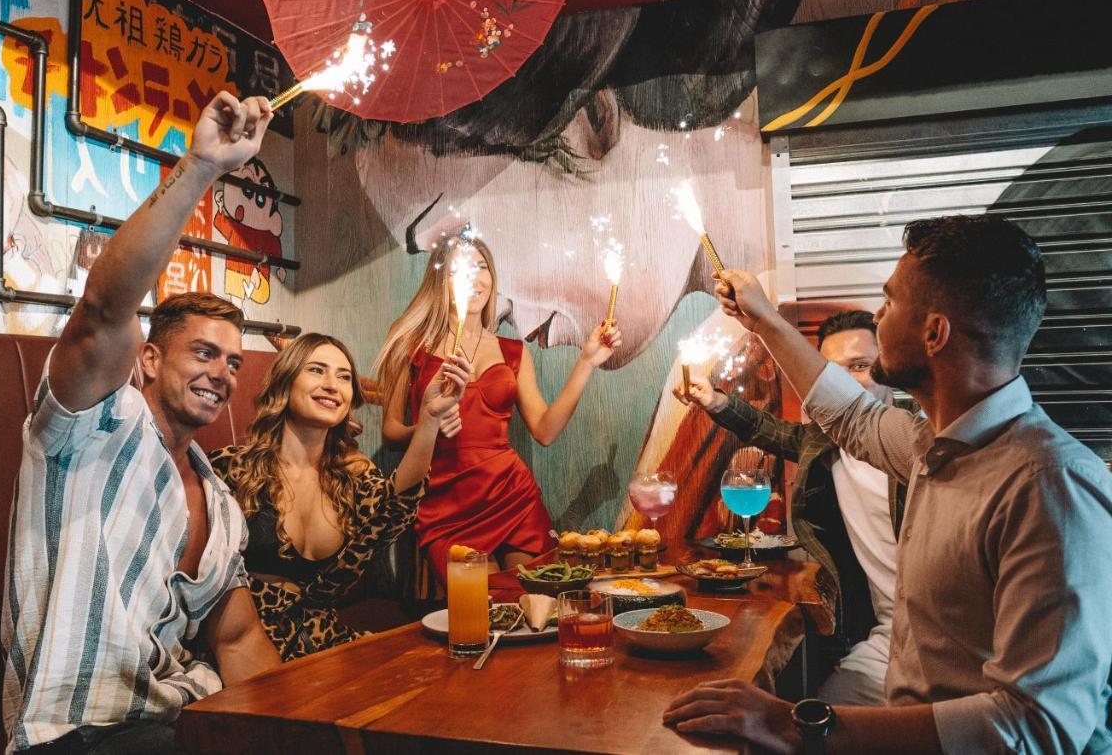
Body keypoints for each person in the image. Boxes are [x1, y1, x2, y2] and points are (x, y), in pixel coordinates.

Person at [664, 215, 1112, 754]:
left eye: (890, 303)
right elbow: (848, 415)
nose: (878, 318)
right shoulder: (934, 447)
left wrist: (792, 724)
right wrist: (764, 321)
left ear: (934, 333)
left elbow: (1036, 726)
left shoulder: (1048, 484)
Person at [2, 92, 283, 754]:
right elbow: (104, 307)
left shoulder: (218, 498)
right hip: (77, 733)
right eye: (205, 352)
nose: (223, 371)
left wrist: (307, 727)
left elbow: (238, 637)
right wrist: (200, 167)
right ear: (149, 359)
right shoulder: (94, 423)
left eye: (234, 361)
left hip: (182, 714)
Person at [675, 309, 915, 706]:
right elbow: (771, 431)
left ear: (887, 368)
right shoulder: (824, 443)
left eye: (860, 366)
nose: (844, 382)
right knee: (814, 726)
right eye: (830, 371)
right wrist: (714, 399)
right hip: (885, 639)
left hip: (951, 645)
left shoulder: (921, 445)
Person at [374, 235, 623, 579]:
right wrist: (428, 426)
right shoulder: (409, 343)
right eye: (458, 269)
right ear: (438, 280)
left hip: (511, 493)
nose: (474, 277)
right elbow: (390, 433)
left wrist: (586, 363)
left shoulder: (512, 350)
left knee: (543, 595)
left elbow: (545, 431)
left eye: (481, 267)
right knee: (484, 607)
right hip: (448, 502)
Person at [210, 333, 472, 659]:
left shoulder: (352, 479)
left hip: (324, 649)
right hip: (246, 653)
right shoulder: (229, 470)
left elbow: (397, 507)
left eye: (344, 376)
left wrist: (430, 418)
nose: (333, 384)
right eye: (317, 370)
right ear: (286, 381)